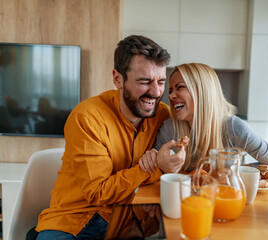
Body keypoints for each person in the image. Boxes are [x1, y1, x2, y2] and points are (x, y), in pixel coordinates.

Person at [35, 35, 185, 240]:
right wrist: (152, 167)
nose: (156, 92)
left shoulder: (163, 116)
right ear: (118, 79)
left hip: (130, 222)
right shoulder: (87, 118)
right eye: (144, 81)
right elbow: (98, 193)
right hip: (75, 221)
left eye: (160, 81)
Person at [139, 63, 268, 173]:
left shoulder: (233, 127)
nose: (171, 96)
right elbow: (153, 171)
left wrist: (238, 172)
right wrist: (157, 163)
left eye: (180, 87)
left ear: (202, 91)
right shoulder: (169, 129)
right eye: (170, 91)